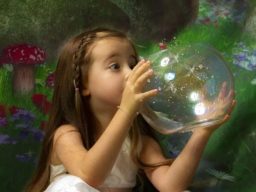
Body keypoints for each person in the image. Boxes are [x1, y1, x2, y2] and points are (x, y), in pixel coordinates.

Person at [26, 28, 235, 192]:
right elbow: (89, 176)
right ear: (84, 84)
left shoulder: (138, 142)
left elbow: (172, 186)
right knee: (70, 187)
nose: (130, 73)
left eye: (133, 64)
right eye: (115, 66)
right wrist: (126, 110)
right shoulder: (66, 135)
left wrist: (202, 132)